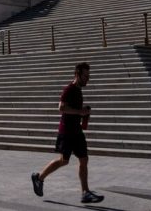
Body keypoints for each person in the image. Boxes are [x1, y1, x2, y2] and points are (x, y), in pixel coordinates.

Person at [31, 62, 103, 204]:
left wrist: (83, 112)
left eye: (89, 76)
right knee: (64, 160)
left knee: (84, 159)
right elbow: (61, 107)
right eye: (85, 76)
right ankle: (38, 177)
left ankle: (85, 193)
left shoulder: (78, 90)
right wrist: (80, 112)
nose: (88, 79)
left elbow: (72, 109)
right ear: (77, 74)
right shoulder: (69, 89)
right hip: (67, 132)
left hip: (76, 131)